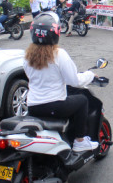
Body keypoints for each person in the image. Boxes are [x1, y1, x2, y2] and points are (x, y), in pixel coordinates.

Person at [25, 12, 99, 152]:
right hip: (54, 106)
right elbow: (74, 81)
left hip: (33, 106)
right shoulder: (59, 54)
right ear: (55, 33)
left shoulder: (27, 56)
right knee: (82, 100)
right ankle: (79, 141)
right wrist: (89, 75)